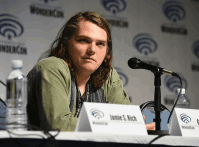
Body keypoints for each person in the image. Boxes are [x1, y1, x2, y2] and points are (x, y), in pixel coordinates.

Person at [27, 11, 155, 131]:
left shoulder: (108, 75)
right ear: (66, 43)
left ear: (107, 51)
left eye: (100, 44)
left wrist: (129, 124)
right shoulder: (52, 67)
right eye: (83, 40)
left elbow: (127, 120)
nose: (92, 50)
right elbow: (58, 126)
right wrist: (114, 125)